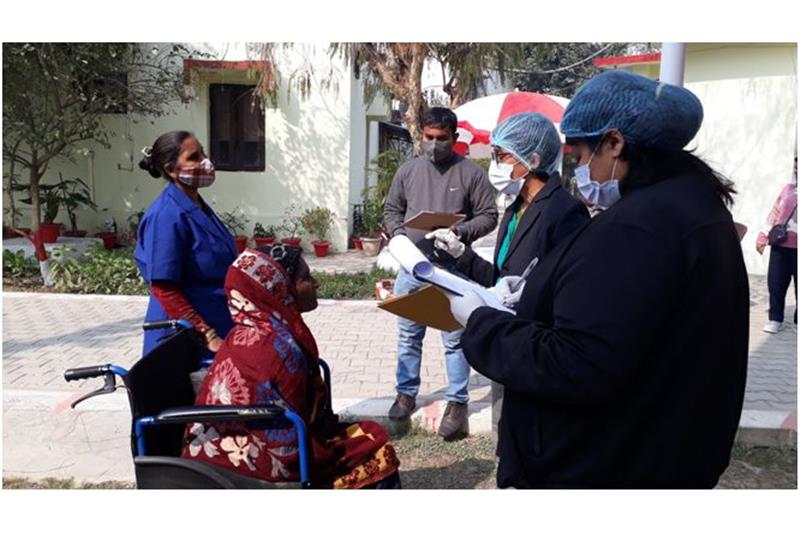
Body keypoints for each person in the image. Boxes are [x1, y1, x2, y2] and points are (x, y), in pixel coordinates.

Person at [446, 70, 750, 488]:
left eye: (580, 155)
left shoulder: (639, 227)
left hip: (610, 464)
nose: (579, 169)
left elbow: (576, 363)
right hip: (666, 451)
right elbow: (625, 319)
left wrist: (482, 323)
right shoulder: (693, 208)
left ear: (614, 143)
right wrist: (540, 291)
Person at [181, 245, 401, 489]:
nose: (315, 283)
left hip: (216, 451)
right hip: (251, 463)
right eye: (305, 278)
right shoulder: (278, 348)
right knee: (379, 451)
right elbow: (295, 427)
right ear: (280, 289)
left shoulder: (248, 330)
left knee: (366, 433)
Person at [383, 107, 499, 440]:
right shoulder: (408, 171)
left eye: (442, 138)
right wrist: (400, 237)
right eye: (428, 137)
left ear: (455, 138)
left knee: (455, 338)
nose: (434, 145)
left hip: (453, 269)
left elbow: (488, 215)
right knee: (409, 335)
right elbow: (392, 210)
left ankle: (457, 402)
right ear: (421, 135)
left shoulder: (470, 174)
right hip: (413, 267)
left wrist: (459, 232)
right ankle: (405, 394)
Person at [426, 112, 589, 303]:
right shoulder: (515, 209)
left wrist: (532, 293)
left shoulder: (564, 211)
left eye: (501, 156)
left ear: (533, 160)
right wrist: (460, 252)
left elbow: (573, 287)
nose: (495, 165)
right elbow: (500, 279)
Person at [136, 131, 237, 356]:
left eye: (203, 153)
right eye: (194, 157)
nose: (205, 162)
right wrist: (206, 334)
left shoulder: (197, 207)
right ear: (171, 170)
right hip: (185, 337)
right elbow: (164, 288)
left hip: (218, 325)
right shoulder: (166, 215)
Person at [756, 155, 797, 333]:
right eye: (795, 166)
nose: (796, 169)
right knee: (776, 283)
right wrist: (763, 236)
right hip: (781, 244)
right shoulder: (787, 189)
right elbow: (775, 213)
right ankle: (775, 318)